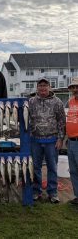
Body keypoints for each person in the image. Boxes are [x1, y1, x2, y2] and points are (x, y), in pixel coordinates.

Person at [29, 78, 66, 203]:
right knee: (35, 167)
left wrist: (60, 138)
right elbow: (25, 118)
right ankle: (36, 191)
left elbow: (61, 122)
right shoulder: (31, 101)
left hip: (52, 140)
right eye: (40, 86)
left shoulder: (57, 102)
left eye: (45, 85)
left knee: (52, 167)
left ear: (49, 87)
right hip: (35, 140)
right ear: (37, 88)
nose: (43, 88)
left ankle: (52, 192)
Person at [67, 77, 78, 205]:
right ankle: (77, 196)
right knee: (73, 170)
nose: (75, 90)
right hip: (71, 141)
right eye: (73, 87)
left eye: (77, 87)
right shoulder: (71, 102)